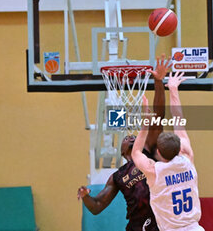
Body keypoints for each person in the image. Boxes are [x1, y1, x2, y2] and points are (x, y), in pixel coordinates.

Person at [77, 54, 172, 231]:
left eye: (134, 137)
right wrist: (85, 196)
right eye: (126, 138)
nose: (130, 136)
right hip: (137, 226)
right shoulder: (117, 177)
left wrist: (158, 82)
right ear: (122, 152)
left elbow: (158, 116)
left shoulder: (149, 153)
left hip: (161, 222)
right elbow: (97, 206)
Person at [131, 71, 204, 231]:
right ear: (179, 148)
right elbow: (178, 118)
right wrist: (173, 89)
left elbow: (136, 152)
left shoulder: (154, 171)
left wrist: (145, 124)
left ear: (159, 154)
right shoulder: (187, 158)